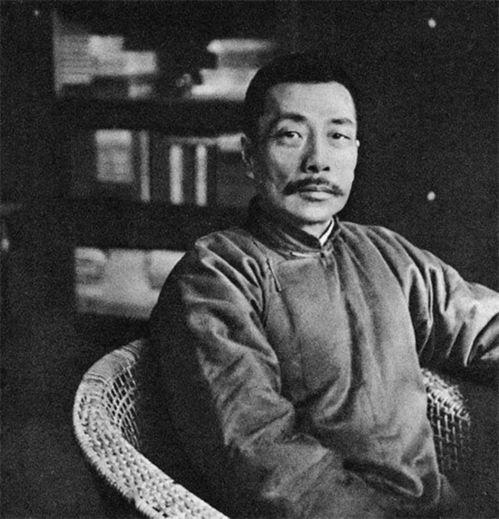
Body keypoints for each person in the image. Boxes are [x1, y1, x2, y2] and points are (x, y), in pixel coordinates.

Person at [149, 52, 498, 518]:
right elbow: (263, 460)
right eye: (290, 135)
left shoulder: (384, 252)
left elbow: (483, 326)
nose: (317, 161)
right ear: (250, 155)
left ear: (355, 153)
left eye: (337, 136)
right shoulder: (216, 275)